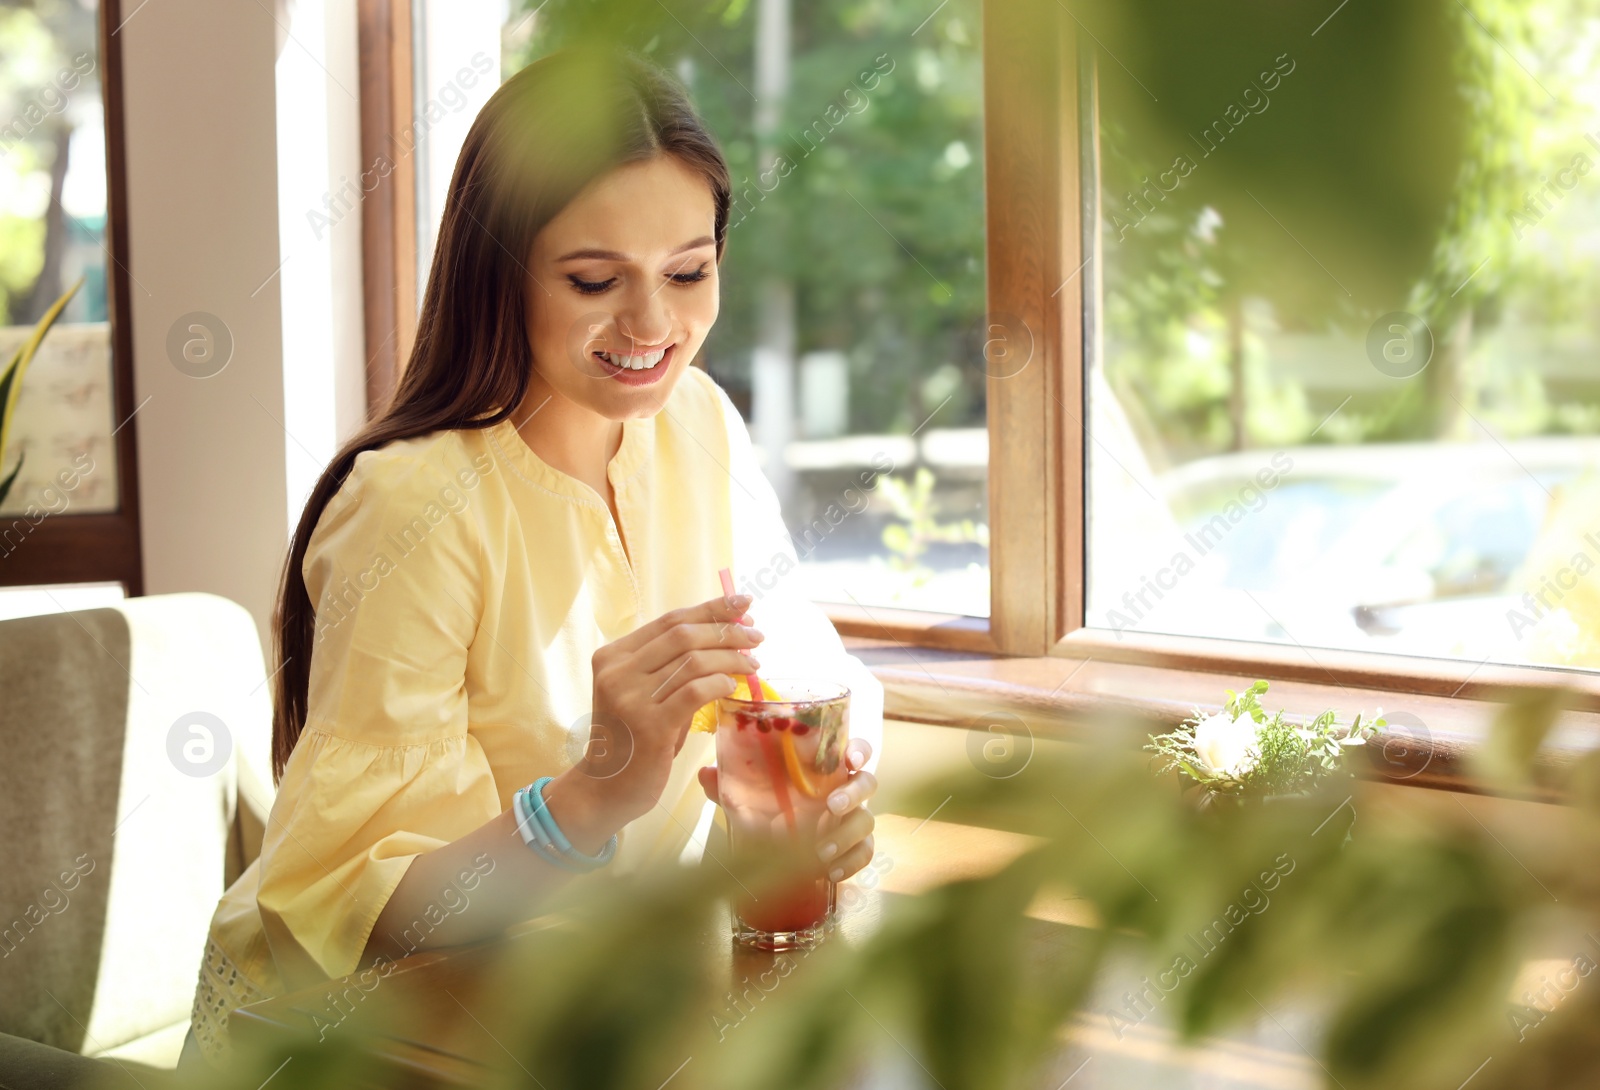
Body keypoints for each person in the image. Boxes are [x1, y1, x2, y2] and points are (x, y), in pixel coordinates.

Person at [181, 47, 882, 1069]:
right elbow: (358, 915)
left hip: (567, 1016)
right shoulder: (411, 507)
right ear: (496, 269)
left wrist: (823, 786)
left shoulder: (698, 425)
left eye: (688, 272)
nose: (652, 325)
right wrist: (598, 788)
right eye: (595, 279)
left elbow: (804, 671)